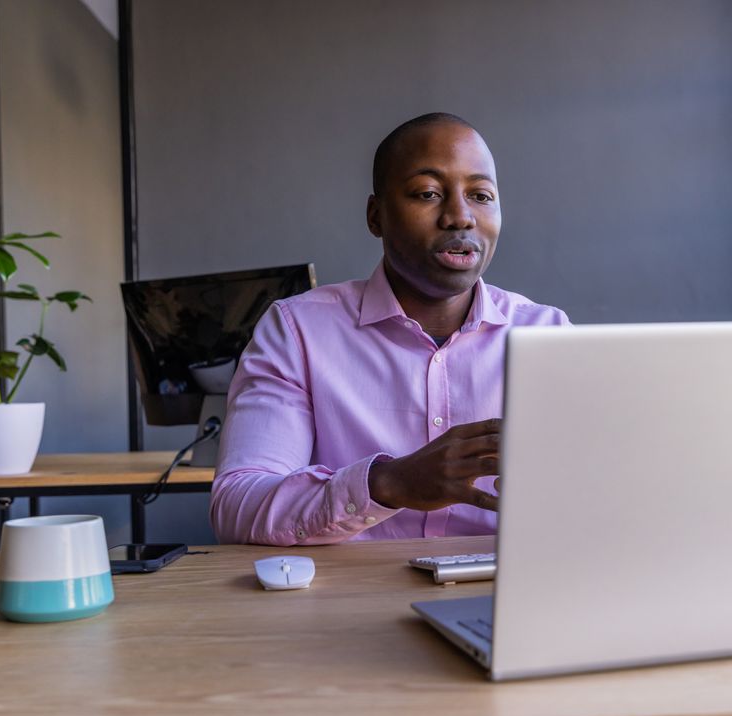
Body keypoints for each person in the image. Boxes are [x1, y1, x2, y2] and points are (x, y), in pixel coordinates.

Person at [210, 113, 569, 545]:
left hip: (501, 597)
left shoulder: (548, 334)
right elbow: (237, 505)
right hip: (345, 603)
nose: (460, 217)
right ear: (376, 216)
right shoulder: (298, 332)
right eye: (428, 193)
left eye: (480, 195)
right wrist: (387, 483)